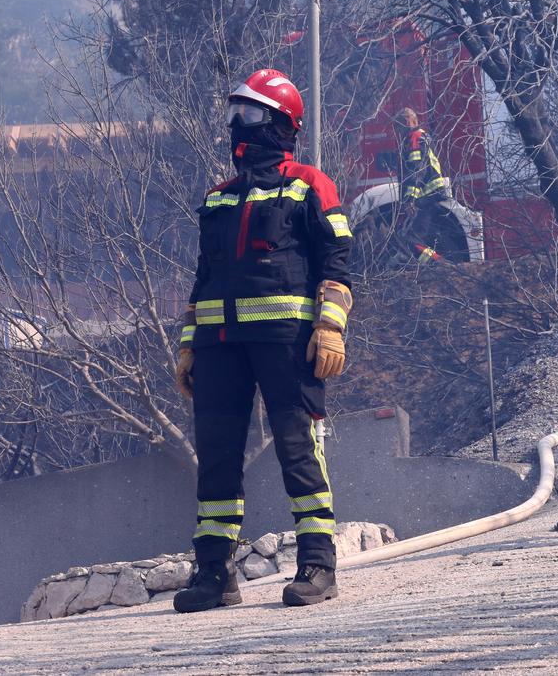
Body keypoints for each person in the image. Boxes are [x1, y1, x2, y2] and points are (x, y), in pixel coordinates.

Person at [172, 69, 355, 611]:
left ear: (281, 124)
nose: (238, 124)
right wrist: (188, 344)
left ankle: (317, 565)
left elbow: (337, 262)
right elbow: (203, 278)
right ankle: (213, 573)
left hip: (286, 342)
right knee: (217, 457)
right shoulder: (218, 197)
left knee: (298, 449)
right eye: (235, 113)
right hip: (218, 345)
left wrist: (329, 326)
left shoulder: (310, 184)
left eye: (250, 113)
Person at [398, 107, 470, 264]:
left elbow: (417, 169)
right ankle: (440, 265)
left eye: (401, 122)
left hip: (426, 196)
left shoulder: (414, 138)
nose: (399, 128)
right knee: (426, 237)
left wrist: (410, 199)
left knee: (411, 239)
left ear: (411, 121)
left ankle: (440, 266)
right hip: (431, 195)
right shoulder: (422, 136)